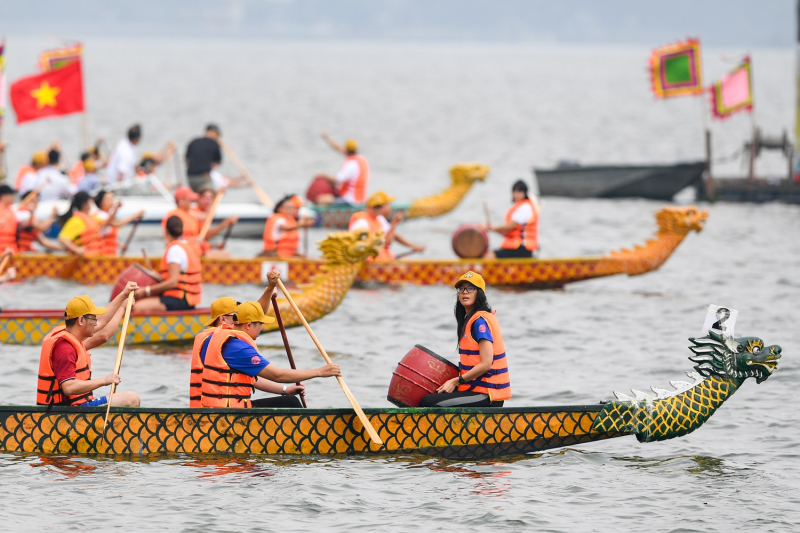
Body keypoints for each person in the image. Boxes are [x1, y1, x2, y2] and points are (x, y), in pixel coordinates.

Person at [199, 300, 341, 408]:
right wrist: (320, 371)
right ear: (248, 325)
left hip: (214, 409)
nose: (261, 329)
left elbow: (250, 379)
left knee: (288, 398)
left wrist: (286, 390)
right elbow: (278, 375)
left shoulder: (217, 337)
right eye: (260, 324)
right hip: (230, 414)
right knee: (291, 404)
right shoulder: (238, 348)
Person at [36, 286, 141, 407]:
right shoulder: (65, 348)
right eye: (93, 319)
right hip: (66, 413)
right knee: (131, 399)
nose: (96, 322)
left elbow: (103, 331)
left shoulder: (73, 339)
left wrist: (123, 296)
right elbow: (69, 387)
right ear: (81, 321)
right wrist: (104, 381)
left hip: (75, 406)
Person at [189, 271, 281, 407]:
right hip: (218, 411)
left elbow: (256, 315)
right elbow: (253, 318)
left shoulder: (221, 337)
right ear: (222, 319)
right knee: (291, 403)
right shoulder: (221, 342)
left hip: (217, 406)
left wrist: (270, 288)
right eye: (235, 316)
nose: (240, 319)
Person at [419, 271, 511, 408]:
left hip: (487, 395)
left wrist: (456, 381)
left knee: (427, 402)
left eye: (470, 288)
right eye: (461, 289)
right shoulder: (469, 320)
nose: (465, 292)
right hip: (474, 390)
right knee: (429, 393)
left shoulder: (479, 322)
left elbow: (486, 364)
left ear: (479, 293)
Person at [133, 215, 202, 312]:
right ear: (182, 230)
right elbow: (178, 278)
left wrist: (146, 291)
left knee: (136, 307)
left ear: (166, 231)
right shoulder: (188, 246)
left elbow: (173, 282)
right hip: (189, 300)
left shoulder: (174, 249)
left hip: (180, 299)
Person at [348, 190, 424, 260]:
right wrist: (394, 223)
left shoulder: (379, 219)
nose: (390, 207)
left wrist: (414, 247)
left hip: (383, 260)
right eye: (388, 204)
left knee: (405, 260)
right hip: (371, 264)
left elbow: (394, 236)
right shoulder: (362, 223)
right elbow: (387, 242)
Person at [482, 180, 539, 259]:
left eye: (520, 192)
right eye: (515, 191)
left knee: (488, 256)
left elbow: (510, 226)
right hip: (514, 247)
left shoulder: (526, 207)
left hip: (522, 248)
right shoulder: (517, 207)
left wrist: (492, 228)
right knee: (486, 254)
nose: (517, 194)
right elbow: (506, 232)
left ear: (525, 193)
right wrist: (491, 228)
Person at [316, 134, 369, 205]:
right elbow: (338, 148)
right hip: (361, 198)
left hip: (350, 200)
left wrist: (323, 175)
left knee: (320, 200)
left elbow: (337, 180)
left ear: (346, 149)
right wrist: (327, 138)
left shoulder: (351, 164)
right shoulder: (361, 158)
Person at [94, 190, 145, 257]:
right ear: (100, 202)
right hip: (103, 255)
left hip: (112, 253)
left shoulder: (107, 215)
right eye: (108, 200)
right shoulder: (99, 215)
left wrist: (119, 245)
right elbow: (117, 224)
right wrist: (136, 215)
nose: (111, 202)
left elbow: (107, 236)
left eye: (112, 199)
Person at [57, 192, 104, 257]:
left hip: (95, 259)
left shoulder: (92, 218)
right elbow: (63, 239)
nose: (92, 203)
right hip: (84, 261)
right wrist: (77, 249)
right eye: (90, 201)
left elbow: (108, 223)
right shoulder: (76, 220)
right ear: (85, 204)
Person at [185, 124, 223, 192]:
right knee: (212, 194)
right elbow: (216, 163)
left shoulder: (194, 141)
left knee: (196, 196)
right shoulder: (214, 143)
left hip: (190, 176)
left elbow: (186, 160)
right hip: (204, 177)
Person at [0, 184, 19, 255]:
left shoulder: (13, 210)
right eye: (11, 195)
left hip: (12, 249)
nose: (14, 197)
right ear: (3, 196)